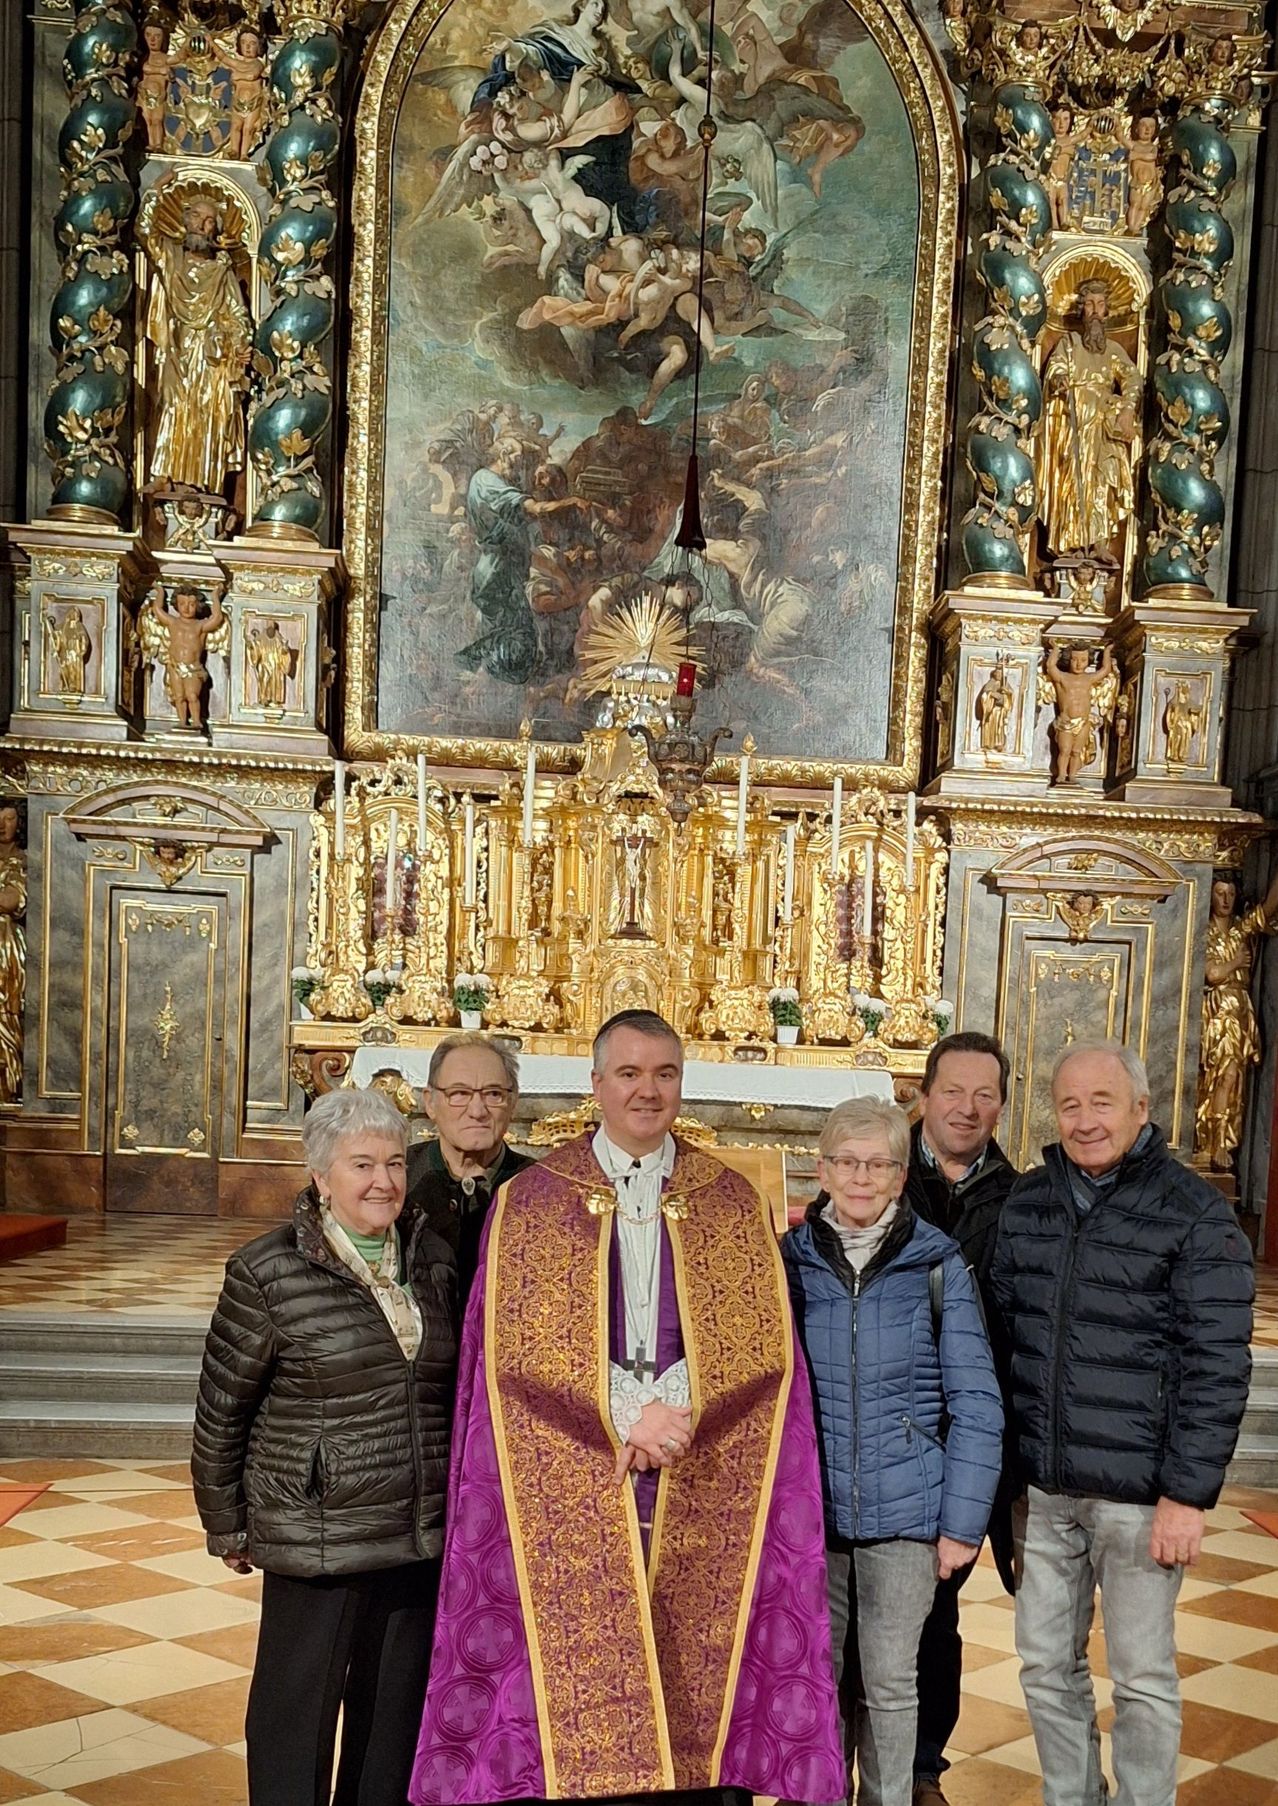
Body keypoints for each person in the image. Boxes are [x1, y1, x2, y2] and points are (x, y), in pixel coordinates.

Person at [411, 1009, 843, 1806]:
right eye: (630, 1074)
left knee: (692, 1661)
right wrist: (625, 1413)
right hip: (574, 1456)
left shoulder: (730, 1199)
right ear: (596, 1085)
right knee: (567, 1667)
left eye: (665, 1074)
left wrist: (671, 1413)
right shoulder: (534, 1199)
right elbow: (517, 1343)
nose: (648, 1091)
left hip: (699, 1456)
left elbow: (758, 1340)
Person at [991, 1042, 1254, 1806]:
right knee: (1045, 1666)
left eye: (1102, 1102)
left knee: (1140, 1679)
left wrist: (1187, 1496)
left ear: (1142, 1108)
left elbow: (1216, 1365)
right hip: (1045, 1491)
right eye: (1068, 1104)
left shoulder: (1194, 1212)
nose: (1084, 1119)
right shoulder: (1031, 1203)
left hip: (1141, 1500)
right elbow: (1006, 1337)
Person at [192, 1087, 459, 1806]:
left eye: (397, 1163)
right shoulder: (266, 1271)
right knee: (295, 1715)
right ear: (320, 1175)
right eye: (362, 1164)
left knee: (391, 1720)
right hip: (319, 1532)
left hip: (414, 1528)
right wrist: (228, 1522)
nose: (385, 1181)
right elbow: (222, 1412)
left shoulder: (431, 1258)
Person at [784, 1096, 1003, 1806]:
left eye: (877, 1164)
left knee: (888, 1680)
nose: (860, 1177)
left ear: (900, 1175)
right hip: (811, 1511)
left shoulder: (936, 1265)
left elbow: (975, 1401)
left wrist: (962, 1524)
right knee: (817, 1678)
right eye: (846, 1161)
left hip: (908, 1513)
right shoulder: (787, 1265)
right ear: (821, 1169)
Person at [904, 1033, 1018, 1805]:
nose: (968, 1109)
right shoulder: (875, 1168)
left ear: (1002, 1105)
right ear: (925, 1094)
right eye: (954, 1091)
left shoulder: (1025, 1197)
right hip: (876, 1435)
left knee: (937, 1615)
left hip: (967, 1444)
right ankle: (846, 1761)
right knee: (852, 1615)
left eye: (985, 1095)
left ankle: (921, 1771)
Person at [406, 1032, 532, 1308]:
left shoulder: (542, 1188)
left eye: (494, 1094)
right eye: (459, 1094)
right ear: (430, 1102)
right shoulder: (398, 1178)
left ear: (513, 1103)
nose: (477, 1110)